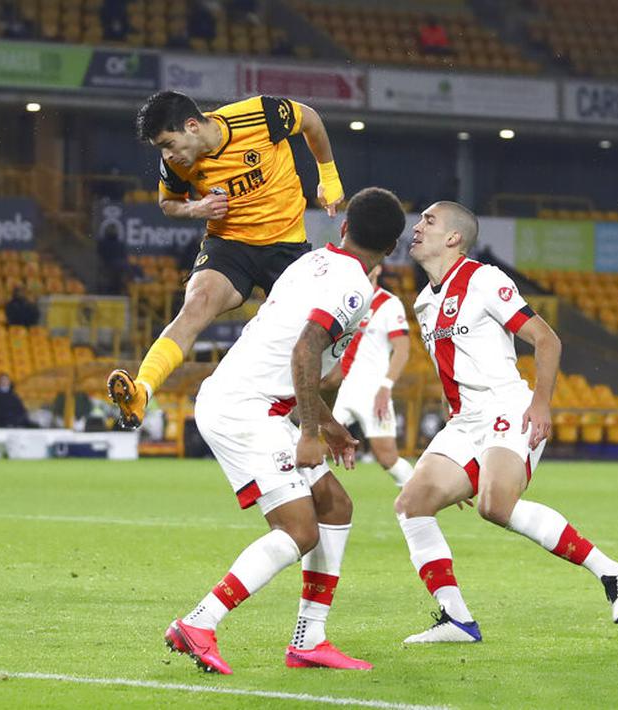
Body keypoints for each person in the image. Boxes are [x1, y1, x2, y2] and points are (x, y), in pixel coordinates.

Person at [165, 187, 404, 674]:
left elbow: (281, 350)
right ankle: (199, 623)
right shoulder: (356, 289)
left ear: (342, 228)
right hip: (245, 409)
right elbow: (303, 353)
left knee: (336, 505)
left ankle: (309, 640)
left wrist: (329, 424)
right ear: (392, 250)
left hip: (255, 401)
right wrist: (311, 434)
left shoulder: (310, 263)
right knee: (298, 529)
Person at [394, 201, 618, 643]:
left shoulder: (484, 279)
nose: (417, 227)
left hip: (507, 407)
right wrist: (463, 462)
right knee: (411, 506)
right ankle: (457, 620)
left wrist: (541, 404)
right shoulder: (425, 301)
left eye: (428, 221)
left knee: (495, 506)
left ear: (454, 238)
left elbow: (546, 339)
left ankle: (615, 573)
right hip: (465, 422)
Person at [108, 90, 344, 428]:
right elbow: (168, 203)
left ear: (192, 125)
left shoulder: (259, 115)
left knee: (315, 338)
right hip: (229, 244)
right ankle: (142, 390)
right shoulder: (176, 163)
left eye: (168, 144)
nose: (168, 154)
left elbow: (310, 120)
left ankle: (308, 423)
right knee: (196, 305)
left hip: (286, 247)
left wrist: (329, 176)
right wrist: (196, 208)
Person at [323, 265, 414, 486]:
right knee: (312, 446)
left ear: (379, 269)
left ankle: (421, 497)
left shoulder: (389, 304)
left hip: (373, 392)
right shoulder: (341, 298)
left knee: (387, 458)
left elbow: (402, 349)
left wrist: (385, 387)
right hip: (338, 388)